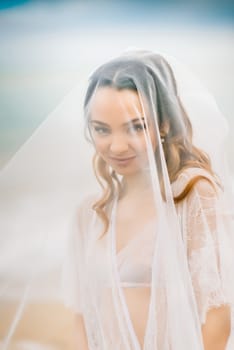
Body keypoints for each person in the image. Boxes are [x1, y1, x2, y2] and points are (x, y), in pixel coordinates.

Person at [0, 49, 233, 350]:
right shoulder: (89, 214)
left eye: (135, 126)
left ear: (164, 124)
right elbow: (82, 321)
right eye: (102, 130)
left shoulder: (192, 194)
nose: (117, 146)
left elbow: (219, 315)